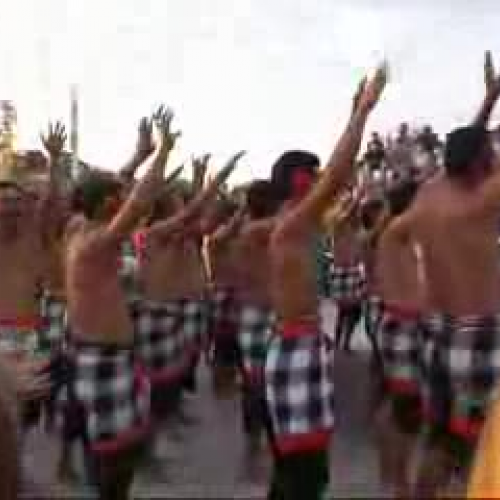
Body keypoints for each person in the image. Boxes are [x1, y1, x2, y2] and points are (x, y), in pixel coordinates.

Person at [264, 64, 388, 499]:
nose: (321, 182)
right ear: (299, 183)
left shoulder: (297, 223)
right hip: (295, 346)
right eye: (312, 176)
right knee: (305, 474)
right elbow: (338, 173)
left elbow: (338, 185)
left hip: (301, 343)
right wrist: (362, 113)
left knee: (301, 472)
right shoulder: (291, 223)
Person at [382, 53, 500, 497]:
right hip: (478, 335)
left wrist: (490, 97)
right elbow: (475, 151)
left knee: (441, 441)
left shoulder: (430, 193)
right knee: (477, 447)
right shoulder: (483, 200)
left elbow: (467, 145)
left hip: (437, 329)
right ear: (479, 168)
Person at [62, 105, 179, 500]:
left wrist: (139, 154)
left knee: (117, 452)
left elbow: (120, 189)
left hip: (108, 355)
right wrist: (162, 153)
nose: (123, 196)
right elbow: (140, 202)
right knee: (115, 459)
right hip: (103, 357)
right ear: (107, 203)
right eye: (118, 196)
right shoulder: (96, 242)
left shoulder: (80, 226)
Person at [133, 152, 242, 464]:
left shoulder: (186, 232)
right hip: (159, 312)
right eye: (177, 204)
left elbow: (205, 217)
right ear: (166, 210)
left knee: (174, 377)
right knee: (156, 384)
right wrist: (217, 178)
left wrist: (212, 190)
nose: (184, 209)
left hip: (184, 308)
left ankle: (164, 424)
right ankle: (147, 446)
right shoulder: (151, 234)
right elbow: (195, 210)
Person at [373, 179, 423, 498]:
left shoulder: (405, 236)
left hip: (410, 325)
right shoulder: (394, 231)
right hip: (401, 325)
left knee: (400, 405)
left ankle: (393, 473)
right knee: (403, 409)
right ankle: (399, 483)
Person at [234, 180, 277, 450]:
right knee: (256, 380)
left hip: (265, 311)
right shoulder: (253, 230)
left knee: (261, 377)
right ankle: (254, 434)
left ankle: (258, 431)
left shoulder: (257, 229)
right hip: (255, 312)